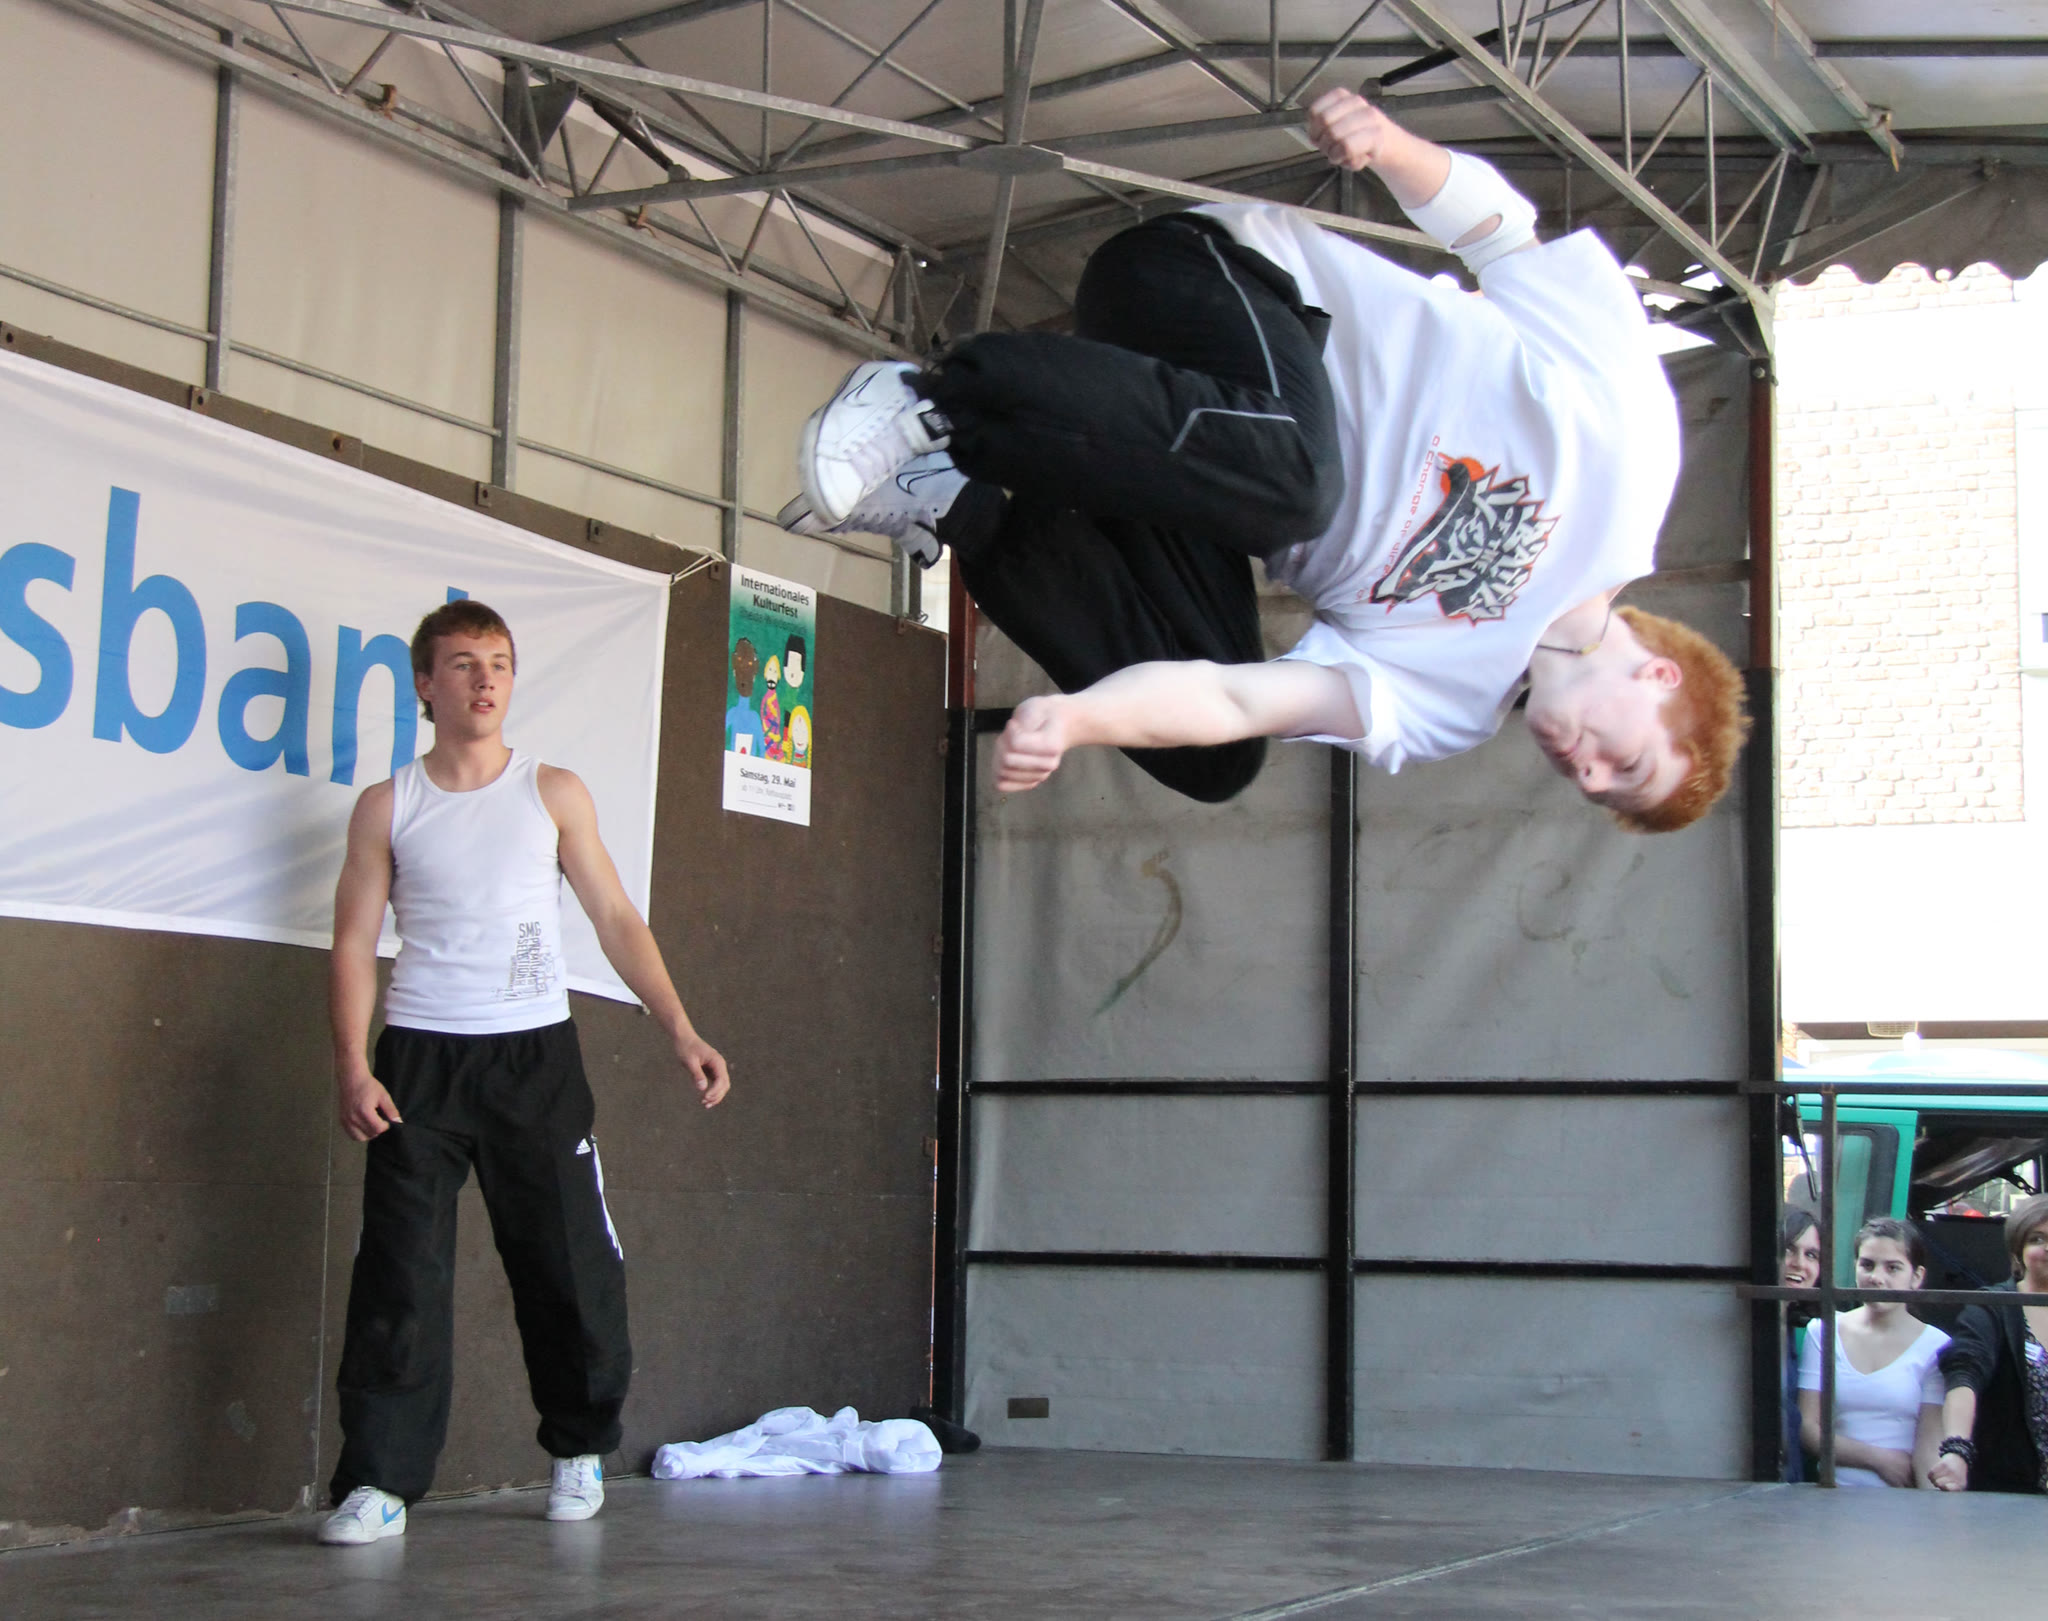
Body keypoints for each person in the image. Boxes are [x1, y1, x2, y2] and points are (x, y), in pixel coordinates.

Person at [779, 89, 1746, 831]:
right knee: (1300, 488)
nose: (1584, 770)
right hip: (1214, 285)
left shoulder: (1452, 707)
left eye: (1596, 790)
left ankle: (955, 498)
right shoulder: (1632, 465)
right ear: (1660, 680)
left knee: (1223, 759)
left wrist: (1082, 720)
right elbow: (1505, 241)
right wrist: (1392, 149)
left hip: (1166, 454)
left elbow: (1236, 695)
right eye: (1623, 763)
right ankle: (937, 403)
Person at [320, 599, 731, 1545]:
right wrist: (351, 1064)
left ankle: (579, 1447)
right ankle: (379, 1481)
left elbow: (617, 917)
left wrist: (679, 1026)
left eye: (499, 662)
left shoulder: (552, 792)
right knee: (399, 1274)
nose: (485, 679)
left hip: (532, 1057)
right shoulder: (388, 804)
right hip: (418, 1061)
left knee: (567, 1263)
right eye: (464, 664)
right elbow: (352, 942)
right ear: (425, 685)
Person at [1797, 1218, 1948, 1487]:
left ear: (1916, 1277)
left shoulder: (1936, 1346)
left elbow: (1929, 1444)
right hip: (1831, 1495)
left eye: (1893, 1268)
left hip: (1900, 1501)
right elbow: (1808, 1429)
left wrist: (1931, 1503)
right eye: (1867, 1265)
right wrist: (1879, 1459)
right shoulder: (1822, 1331)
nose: (1877, 1278)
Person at [1930, 1192, 2048, 1494]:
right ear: (2018, 1250)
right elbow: (1964, 1373)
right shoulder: (1992, 1307)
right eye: (2037, 1239)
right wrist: (1957, 1450)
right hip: (2011, 1496)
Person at [1779, 1206, 1823, 1483]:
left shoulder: (1792, 1329)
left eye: (1811, 1255)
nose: (1799, 1264)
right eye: (1788, 1250)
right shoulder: (1746, 1329)